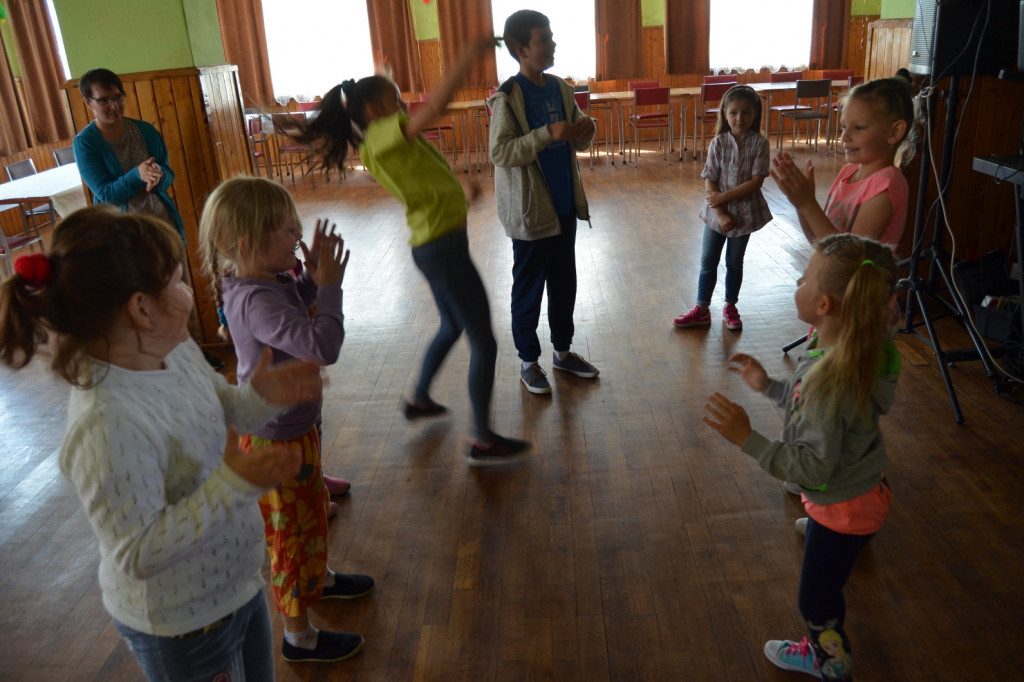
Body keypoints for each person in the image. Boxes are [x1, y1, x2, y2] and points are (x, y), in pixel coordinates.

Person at [0, 205, 323, 681]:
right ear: (141, 308)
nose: (189, 292)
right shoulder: (106, 423)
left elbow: (224, 409)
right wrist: (233, 484)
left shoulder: (175, 350)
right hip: (184, 626)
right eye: (176, 281)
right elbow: (137, 552)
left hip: (238, 587)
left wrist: (260, 399)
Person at [295, 39, 529, 465]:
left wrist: (462, 195)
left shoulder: (391, 140)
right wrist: (467, 57)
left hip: (438, 244)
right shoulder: (380, 137)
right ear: (373, 111)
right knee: (484, 340)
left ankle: (420, 398)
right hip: (442, 250)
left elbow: (423, 182)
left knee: (453, 327)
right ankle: (483, 439)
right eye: (396, 100)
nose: (404, 106)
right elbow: (434, 108)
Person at [702, 233, 900, 681]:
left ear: (825, 305)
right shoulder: (856, 350)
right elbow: (820, 417)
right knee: (836, 540)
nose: (797, 280)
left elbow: (811, 466)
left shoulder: (828, 382)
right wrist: (770, 386)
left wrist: (746, 438)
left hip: (843, 506)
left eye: (806, 278)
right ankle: (843, 539)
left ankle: (831, 661)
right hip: (866, 487)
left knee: (816, 598)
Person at [199, 176, 373, 663]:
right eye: (286, 227)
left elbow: (298, 300)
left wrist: (312, 279)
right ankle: (300, 638)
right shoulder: (256, 301)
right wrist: (331, 290)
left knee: (309, 514)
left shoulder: (267, 280)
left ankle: (322, 580)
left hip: (292, 431)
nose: (297, 233)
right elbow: (322, 346)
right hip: (274, 442)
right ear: (248, 245)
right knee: (292, 536)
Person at [73, 67, 225, 371]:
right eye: (104, 101)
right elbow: (105, 192)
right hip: (124, 238)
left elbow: (168, 174)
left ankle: (192, 354)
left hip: (164, 226)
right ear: (88, 103)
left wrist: (158, 175)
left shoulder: (145, 130)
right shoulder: (86, 143)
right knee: (143, 301)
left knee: (181, 293)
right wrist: (137, 175)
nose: (113, 106)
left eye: (118, 98)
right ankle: (159, 362)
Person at [489, 9, 600, 395]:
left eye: (552, 38)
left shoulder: (560, 88)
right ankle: (528, 361)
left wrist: (585, 129)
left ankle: (563, 352)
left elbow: (578, 135)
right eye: (544, 39)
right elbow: (501, 152)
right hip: (532, 214)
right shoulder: (508, 98)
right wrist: (547, 132)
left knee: (564, 284)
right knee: (529, 289)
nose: (553, 45)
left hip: (565, 207)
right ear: (520, 48)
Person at [770, 76, 916, 249]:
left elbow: (847, 256)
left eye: (859, 127)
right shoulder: (848, 172)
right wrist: (800, 204)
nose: (844, 137)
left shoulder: (887, 183)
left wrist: (808, 204)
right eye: (844, 126)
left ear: (894, 132)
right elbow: (820, 242)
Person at [673, 85, 772, 331]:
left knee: (734, 263)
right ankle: (702, 309)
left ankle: (730, 305)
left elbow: (756, 181)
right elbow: (710, 177)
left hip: (745, 215)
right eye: (734, 113)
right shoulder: (718, 143)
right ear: (725, 115)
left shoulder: (760, 143)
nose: (740, 118)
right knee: (708, 261)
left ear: (755, 114)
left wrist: (722, 198)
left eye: (746, 113)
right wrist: (719, 211)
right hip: (715, 216)